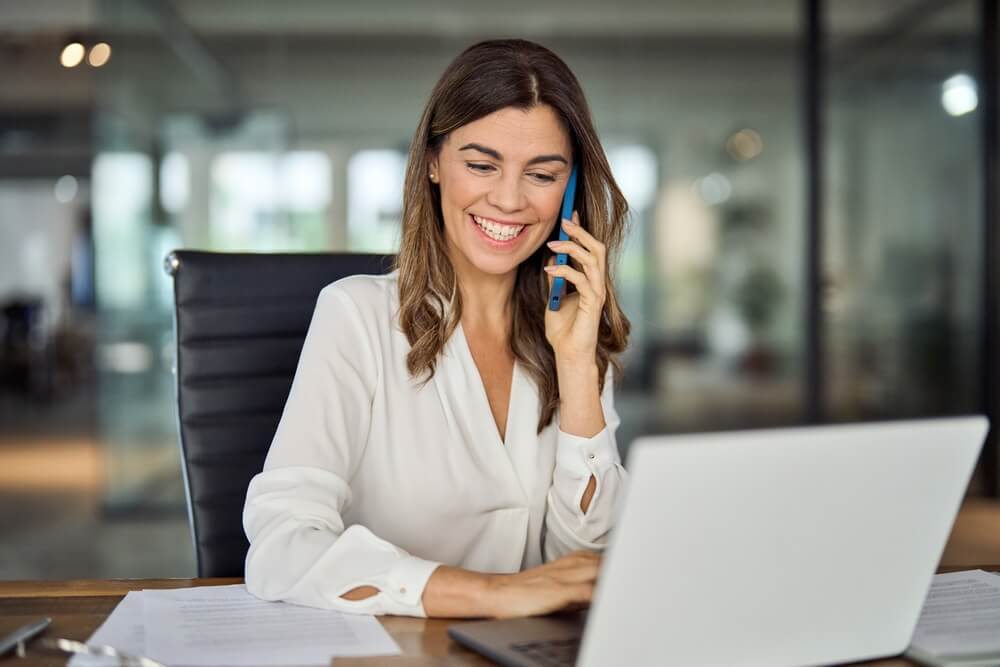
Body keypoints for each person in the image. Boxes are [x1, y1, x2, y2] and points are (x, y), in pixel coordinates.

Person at [243, 38, 631, 619]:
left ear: (570, 190)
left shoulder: (571, 331)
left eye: (542, 175)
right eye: (481, 165)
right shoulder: (356, 317)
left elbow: (581, 565)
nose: (508, 199)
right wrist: (492, 594)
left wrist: (576, 365)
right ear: (432, 161)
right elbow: (282, 545)